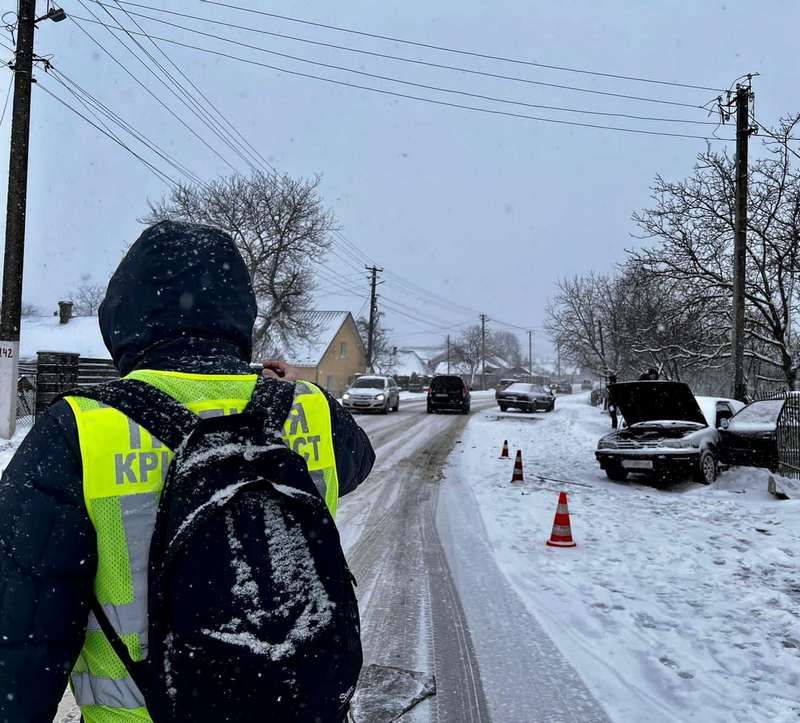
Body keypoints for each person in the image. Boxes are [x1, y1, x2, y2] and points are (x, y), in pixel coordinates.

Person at [0, 221, 375, 722]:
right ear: (239, 313)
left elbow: (21, 634)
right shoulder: (310, 407)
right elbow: (359, 461)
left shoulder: (79, 428)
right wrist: (290, 390)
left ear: (122, 315)